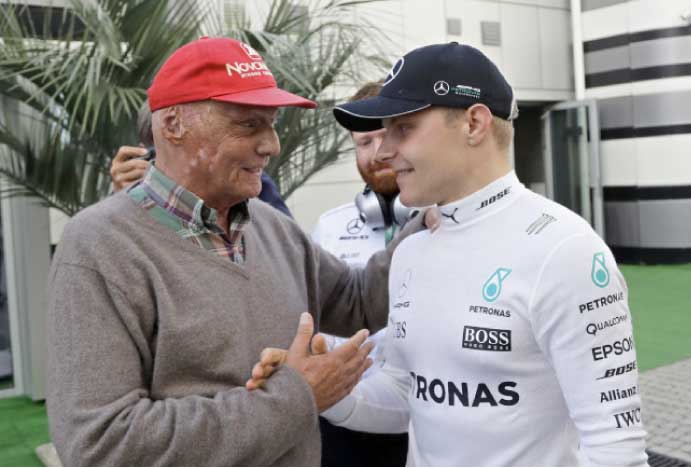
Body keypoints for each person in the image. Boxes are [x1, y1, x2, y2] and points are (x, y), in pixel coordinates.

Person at [250, 42, 648, 466]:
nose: (384, 151)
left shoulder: (566, 250)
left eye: (403, 129)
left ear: (474, 124)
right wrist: (323, 389)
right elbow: (407, 394)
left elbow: (616, 448)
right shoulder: (411, 251)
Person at [46, 37, 425, 466]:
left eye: (272, 123)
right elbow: (101, 445)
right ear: (172, 125)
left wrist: (435, 212)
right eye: (248, 125)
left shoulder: (271, 227)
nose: (271, 145)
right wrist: (296, 395)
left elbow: (357, 301)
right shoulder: (98, 247)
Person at [311, 82, 409, 466]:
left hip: (422, 420)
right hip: (343, 420)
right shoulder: (329, 226)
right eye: (362, 143)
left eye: (383, 138)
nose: (375, 154)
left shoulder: (444, 222)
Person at [110, 103, 293, 217]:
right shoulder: (109, 220)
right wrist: (123, 199)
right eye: (155, 155)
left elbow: (283, 249)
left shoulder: (248, 181)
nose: (272, 147)